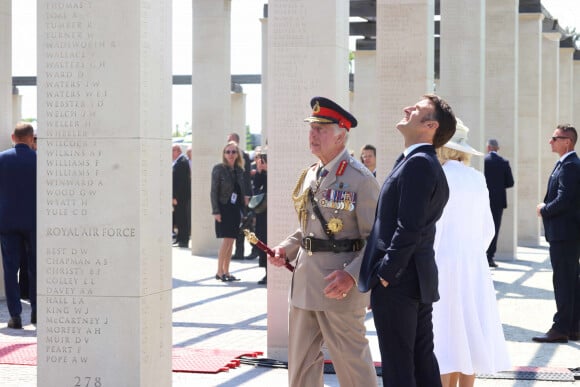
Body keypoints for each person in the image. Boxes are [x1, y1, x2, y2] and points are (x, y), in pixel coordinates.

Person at [269, 96, 379, 387]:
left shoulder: (361, 179)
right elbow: (309, 228)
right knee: (301, 368)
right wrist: (286, 248)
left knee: (353, 367)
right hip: (305, 283)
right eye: (312, 127)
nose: (313, 134)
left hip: (338, 286)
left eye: (322, 128)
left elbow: (376, 240)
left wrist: (352, 276)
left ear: (342, 135)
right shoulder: (310, 174)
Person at [359, 94, 457, 387]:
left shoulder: (418, 165)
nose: (407, 108)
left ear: (430, 125)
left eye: (416, 109)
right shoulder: (418, 162)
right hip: (414, 278)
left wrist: (385, 275)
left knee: (400, 366)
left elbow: (409, 228)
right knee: (420, 363)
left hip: (400, 281)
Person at [433, 119, 511, 387]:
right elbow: (487, 229)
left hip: (444, 263)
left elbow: (435, 229)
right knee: (469, 333)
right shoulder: (477, 178)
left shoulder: (439, 176)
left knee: (444, 337)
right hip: (473, 264)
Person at [534, 124, 580, 343]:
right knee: (570, 280)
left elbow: (564, 199)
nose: (550, 141)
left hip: (564, 233)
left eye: (555, 138)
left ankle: (561, 328)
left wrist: (544, 209)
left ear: (567, 142)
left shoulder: (570, 166)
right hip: (565, 233)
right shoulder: (567, 164)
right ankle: (573, 326)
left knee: (563, 281)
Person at [0, 123, 37, 329]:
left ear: (13, 137)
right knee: (35, 268)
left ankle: (15, 316)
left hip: (7, 222)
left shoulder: (2, 158)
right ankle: (37, 312)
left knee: (10, 268)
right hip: (34, 221)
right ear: (32, 139)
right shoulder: (41, 161)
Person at [211, 141, 248, 282]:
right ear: (224, 154)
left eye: (233, 152)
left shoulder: (239, 170)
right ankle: (219, 272)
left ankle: (227, 271)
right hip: (223, 207)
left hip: (235, 209)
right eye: (228, 152)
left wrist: (244, 208)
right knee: (226, 241)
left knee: (231, 241)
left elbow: (241, 191)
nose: (231, 154)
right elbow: (213, 191)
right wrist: (215, 211)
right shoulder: (218, 169)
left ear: (237, 154)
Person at [484, 138, 514, 268]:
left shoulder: (483, 161)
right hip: (498, 202)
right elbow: (510, 182)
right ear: (497, 148)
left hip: (484, 199)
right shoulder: (503, 162)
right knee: (494, 228)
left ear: (488, 148)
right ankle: (490, 257)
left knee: (481, 227)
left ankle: (480, 256)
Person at [227, 132, 253, 260]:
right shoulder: (227, 156)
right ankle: (239, 252)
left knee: (246, 224)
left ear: (236, 141)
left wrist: (247, 195)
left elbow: (247, 177)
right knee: (237, 223)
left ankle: (255, 249)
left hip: (243, 195)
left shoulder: (245, 156)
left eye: (230, 140)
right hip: (233, 196)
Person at [252, 148, 268, 285]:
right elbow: (256, 187)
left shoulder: (274, 171)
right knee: (262, 238)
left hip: (273, 211)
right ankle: (266, 272)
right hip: (263, 212)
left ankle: (271, 272)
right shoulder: (261, 173)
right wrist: (259, 170)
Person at [172, 144, 191, 248]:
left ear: (177, 151)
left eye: (172, 151)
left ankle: (183, 240)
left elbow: (179, 183)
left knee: (183, 218)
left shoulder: (182, 162)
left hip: (181, 197)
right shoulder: (178, 162)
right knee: (179, 218)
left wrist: (175, 197)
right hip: (179, 197)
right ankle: (180, 238)